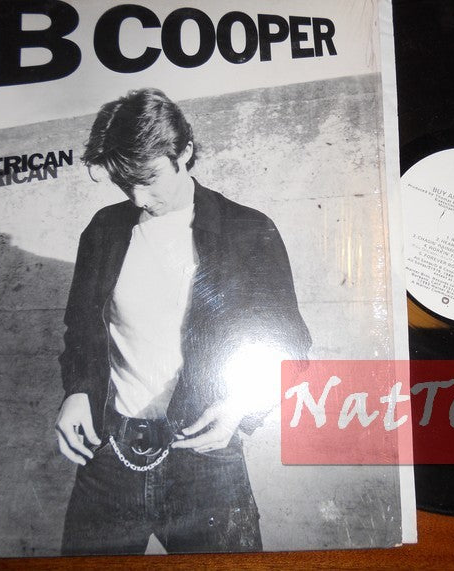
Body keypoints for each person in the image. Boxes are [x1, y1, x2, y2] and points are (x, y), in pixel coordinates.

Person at [55, 88, 311, 554]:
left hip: (206, 462)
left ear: (185, 152)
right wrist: (77, 392)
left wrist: (240, 408)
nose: (138, 196)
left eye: (149, 179)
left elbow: (289, 345)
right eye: (123, 182)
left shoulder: (248, 230)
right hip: (110, 455)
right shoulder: (103, 230)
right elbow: (82, 329)